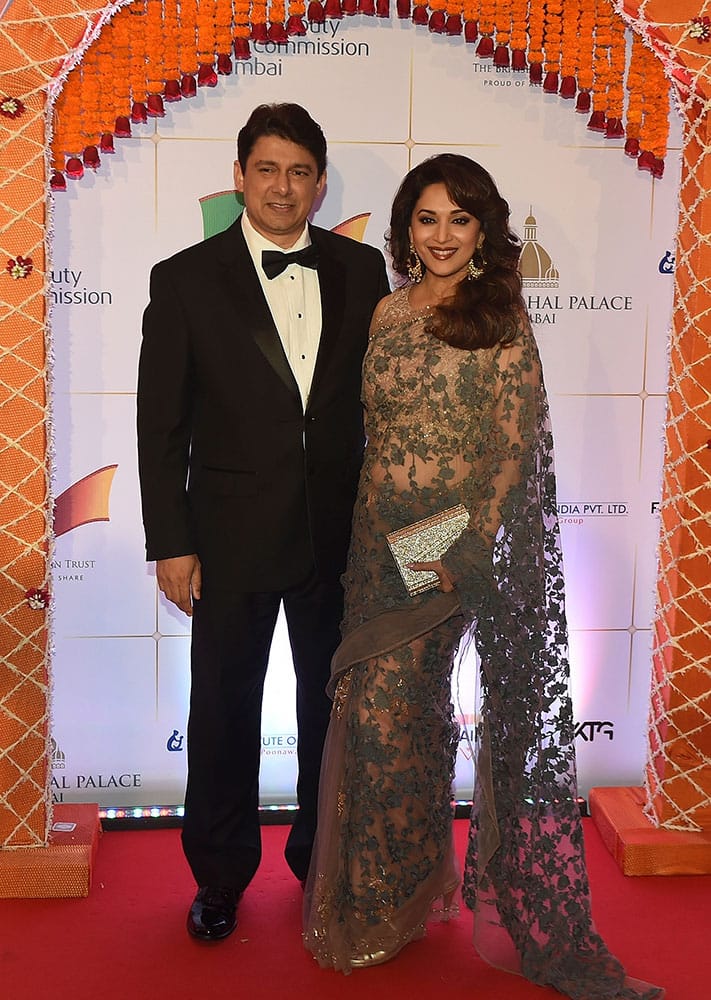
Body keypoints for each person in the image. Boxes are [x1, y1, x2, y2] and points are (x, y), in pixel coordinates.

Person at [302, 154, 664, 999]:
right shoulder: (387, 313)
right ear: (406, 228)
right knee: (382, 720)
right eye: (426, 219)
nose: (440, 237)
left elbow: (509, 455)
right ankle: (399, 894)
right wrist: (378, 546)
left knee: (395, 717)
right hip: (369, 545)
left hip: (441, 553)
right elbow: (376, 435)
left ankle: (402, 897)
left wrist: (450, 555)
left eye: (457, 221)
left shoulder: (499, 316)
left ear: (482, 232)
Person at [137, 103, 389, 942]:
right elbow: (160, 425)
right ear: (240, 176)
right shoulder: (183, 278)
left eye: (300, 172)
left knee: (332, 714)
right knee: (221, 713)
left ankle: (322, 864)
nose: (284, 187)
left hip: (337, 538)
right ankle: (218, 878)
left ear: (319, 184)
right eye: (268, 169)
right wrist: (170, 541)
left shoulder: (362, 271)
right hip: (229, 538)